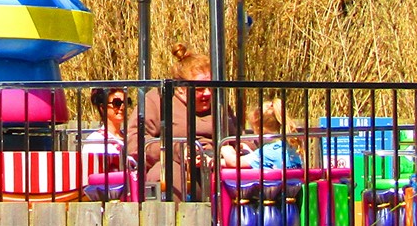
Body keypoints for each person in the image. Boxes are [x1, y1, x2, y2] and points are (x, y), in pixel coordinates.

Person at [126, 44, 239, 199]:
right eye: (200, 88)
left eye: (210, 87)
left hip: (217, 165)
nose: (207, 93)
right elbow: (135, 142)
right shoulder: (157, 100)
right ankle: (172, 213)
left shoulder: (219, 105)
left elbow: (239, 138)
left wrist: (237, 150)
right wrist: (178, 150)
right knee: (167, 173)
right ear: (180, 88)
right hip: (178, 167)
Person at [225, 97, 302, 171]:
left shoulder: (267, 152)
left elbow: (233, 162)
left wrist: (225, 149)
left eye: (253, 130)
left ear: (259, 129)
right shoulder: (291, 147)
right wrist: (249, 151)